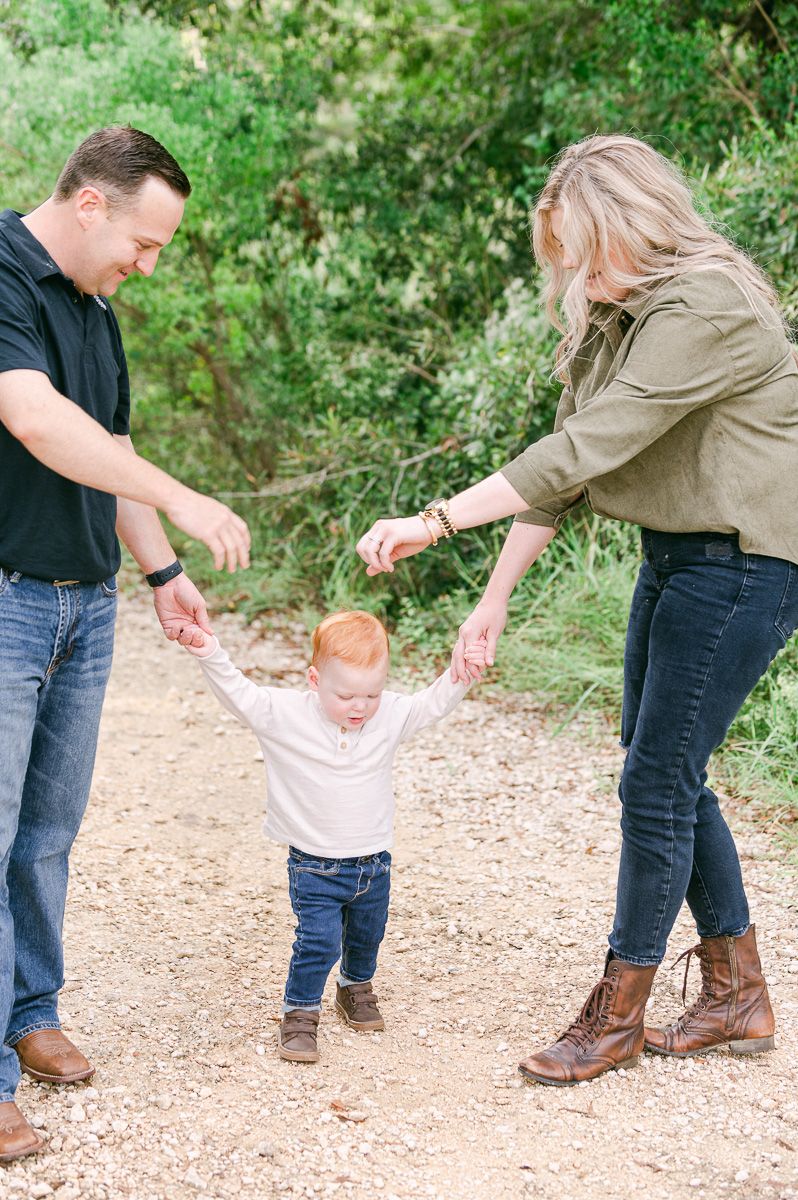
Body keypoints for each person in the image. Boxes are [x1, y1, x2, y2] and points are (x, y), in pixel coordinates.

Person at [356, 133, 798, 1087]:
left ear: (632, 227)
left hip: (744, 565)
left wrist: (436, 520)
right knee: (664, 770)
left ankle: (617, 1017)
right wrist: (493, 600)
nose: (575, 277)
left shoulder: (706, 308)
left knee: (656, 782)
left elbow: (587, 446)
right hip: (679, 557)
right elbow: (567, 464)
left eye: (585, 253)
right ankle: (737, 991)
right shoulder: (622, 310)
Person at [0, 126, 251, 1159]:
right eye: (144, 243)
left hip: (84, 604)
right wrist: (188, 501)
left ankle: (32, 1013)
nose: (146, 266)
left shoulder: (97, 308)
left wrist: (160, 569)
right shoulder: (3, 273)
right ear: (91, 202)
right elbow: (37, 421)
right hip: (5, 598)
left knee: (48, 832)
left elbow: (110, 453)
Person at [182, 611, 486, 1063]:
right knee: (318, 941)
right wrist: (208, 649)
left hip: (373, 862)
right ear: (314, 679)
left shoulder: (390, 717)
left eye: (372, 693)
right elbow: (238, 692)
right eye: (345, 694)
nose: (359, 706)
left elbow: (431, 703)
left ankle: (354, 987)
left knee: (368, 935)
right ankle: (300, 1012)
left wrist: (461, 673)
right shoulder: (283, 715)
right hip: (314, 865)